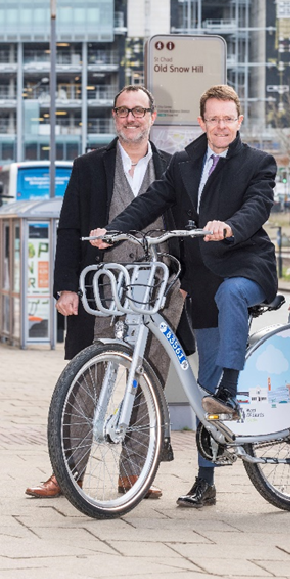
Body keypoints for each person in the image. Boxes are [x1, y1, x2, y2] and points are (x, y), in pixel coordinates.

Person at [89, 84, 278, 508]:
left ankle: (231, 390)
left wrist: (229, 225)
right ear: (202, 122)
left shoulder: (257, 162)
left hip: (247, 268)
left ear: (239, 120)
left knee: (231, 300)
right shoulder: (185, 162)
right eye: (214, 118)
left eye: (229, 118)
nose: (222, 125)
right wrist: (115, 230)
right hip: (203, 281)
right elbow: (152, 201)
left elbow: (257, 206)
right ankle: (205, 480)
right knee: (200, 385)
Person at [26, 85, 185, 500]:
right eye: (123, 111)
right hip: (101, 288)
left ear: (153, 116)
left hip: (157, 289)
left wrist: (190, 286)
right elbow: (69, 227)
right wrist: (65, 286)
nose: (131, 118)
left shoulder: (173, 167)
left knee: (148, 377)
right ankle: (66, 472)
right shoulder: (89, 166)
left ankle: (133, 474)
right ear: (115, 117)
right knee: (85, 377)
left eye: (139, 111)